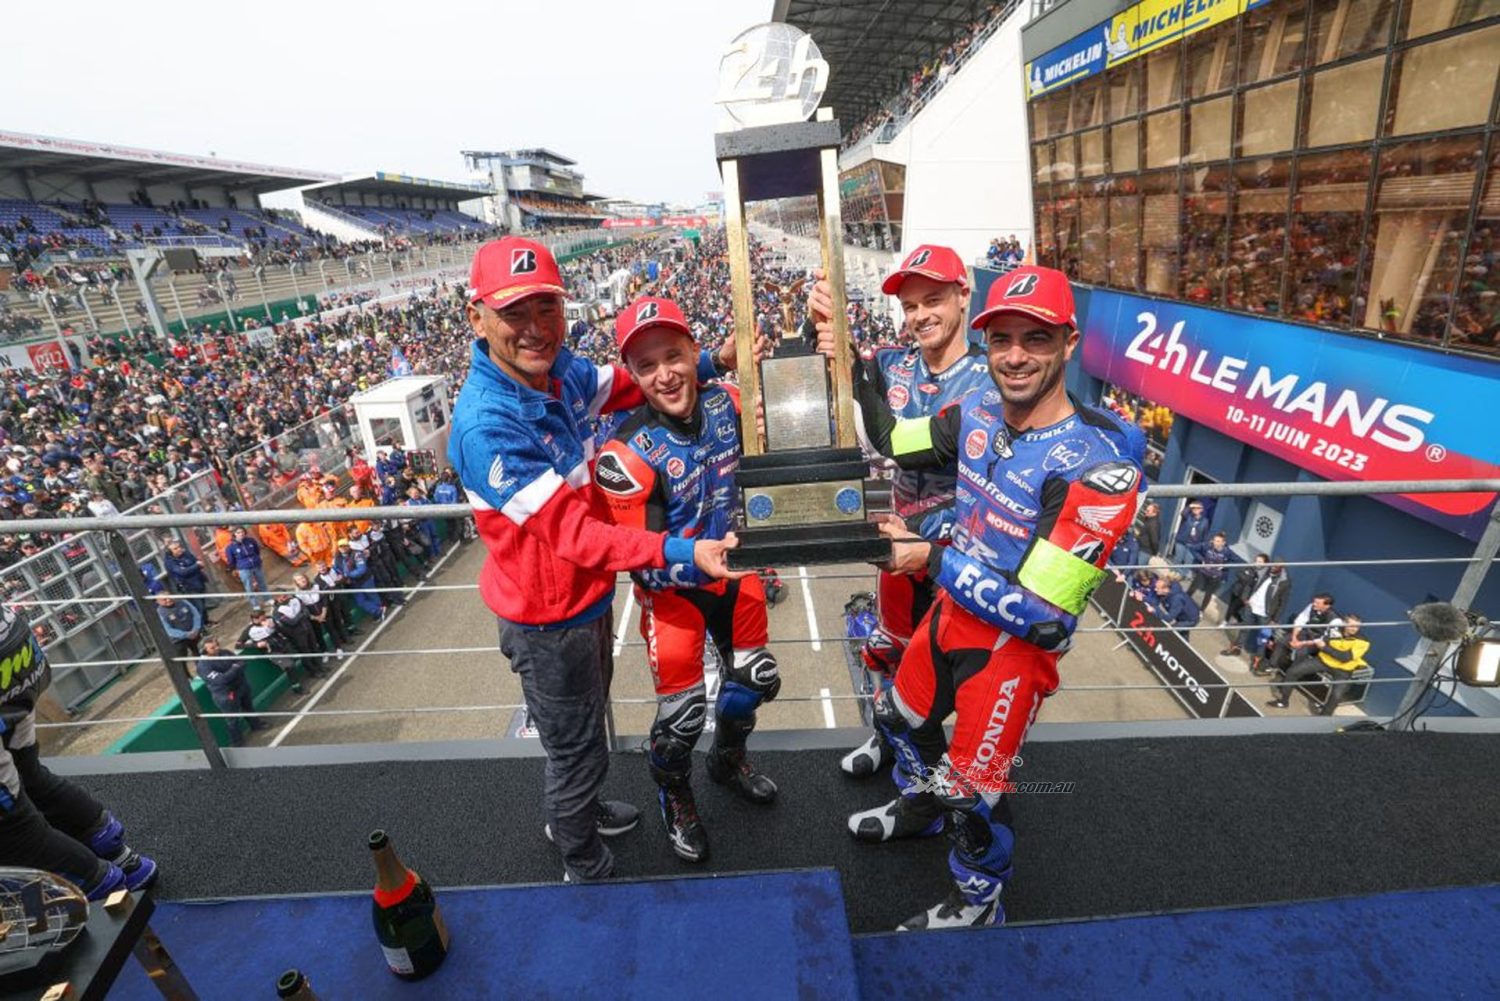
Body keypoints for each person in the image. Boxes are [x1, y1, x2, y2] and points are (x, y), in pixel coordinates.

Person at [825, 265, 1144, 929]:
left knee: (978, 795)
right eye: (1002, 339)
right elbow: (894, 439)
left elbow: (1048, 619)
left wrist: (929, 555)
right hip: (948, 616)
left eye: (1036, 337)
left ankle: (979, 902)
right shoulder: (971, 411)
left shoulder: (1101, 461)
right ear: (986, 342)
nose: (1017, 355)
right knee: (896, 718)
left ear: (1069, 341)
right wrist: (850, 361)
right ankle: (918, 808)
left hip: (1010, 654)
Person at [448, 236, 743, 883]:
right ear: (477, 318)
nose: (535, 328)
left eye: (546, 308)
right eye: (514, 312)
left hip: (584, 604)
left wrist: (714, 361)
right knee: (574, 748)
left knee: (587, 730)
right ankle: (579, 855)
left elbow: (621, 384)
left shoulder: (562, 371)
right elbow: (578, 537)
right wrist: (680, 549)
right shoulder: (487, 424)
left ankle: (579, 809)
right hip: (546, 621)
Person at [593, 296, 778, 863]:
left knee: (756, 682)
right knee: (680, 719)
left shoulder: (730, 402)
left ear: (694, 352)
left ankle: (726, 758)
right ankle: (675, 796)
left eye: (674, 356)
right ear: (632, 374)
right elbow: (638, 558)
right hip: (672, 592)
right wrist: (695, 557)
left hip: (735, 574)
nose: (665, 374)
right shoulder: (623, 451)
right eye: (647, 366)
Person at [807, 244, 993, 780]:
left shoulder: (988, 380)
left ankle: (929, 789)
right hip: (896, 546)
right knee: (886, 654)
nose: (919, 316)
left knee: (935, 683)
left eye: (932, 300)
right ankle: (886, 742)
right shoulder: (893, 363)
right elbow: (835, 385)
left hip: (952, 559)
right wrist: (820, 318)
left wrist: (849, 359)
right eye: (910, 306)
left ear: (964, 296)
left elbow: (903, 443)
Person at [0, 605, 158, 899]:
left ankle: (105, 889)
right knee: (27, 774)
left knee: (10, 825)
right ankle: (121, 857)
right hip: (16, 652)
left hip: (10, 658)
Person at [1269, 614, 1368, 712]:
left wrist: (1325, 647)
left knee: (1336, 695)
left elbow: (1345, 657)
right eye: (1352, 626)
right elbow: (1321, 641)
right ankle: (1283, 701)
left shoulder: (1362, 641)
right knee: (1292, 672)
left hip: (1343, 670)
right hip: (1323, 661)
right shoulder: (1334, 630)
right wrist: (1302, 643)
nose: (1354, 629)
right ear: (1344, 624)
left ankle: (1325, 716)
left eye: (1357, 626)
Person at [194, 636, 266, 744]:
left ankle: (256, 725)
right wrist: (235, 668)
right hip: (226, 695)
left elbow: (242, 662)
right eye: (213, 648)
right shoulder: (203, 666)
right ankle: (237, 741)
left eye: (217, 645)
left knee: (248, 708)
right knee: (232, 720)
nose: (217, 648)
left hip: (241, 686)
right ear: (204, 651)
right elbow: (221, 680)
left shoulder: (225, 652)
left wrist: (232, 670)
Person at [1257, 591, 1337, 676]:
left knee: (1301, 653)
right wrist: (1294, 637)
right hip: (1305, 633)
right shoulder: (1311, 607)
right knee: (1282, 641)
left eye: (1317, 603)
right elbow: (1300, 621)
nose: (1314, 604)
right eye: (1314, 601)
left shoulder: (1334, 620)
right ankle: (1272, 666)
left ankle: (1291, 675)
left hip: (1316, 642)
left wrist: (1301, 643)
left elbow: (1325, 640)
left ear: (1327, 605)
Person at [1240, 561, 1291, 666]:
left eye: (1276, 566)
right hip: (1251, 607)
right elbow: (1250, 585)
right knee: (1244, 629)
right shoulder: (1262, 572)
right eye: (1272, 564)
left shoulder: (1284, 582)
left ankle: (1258, 659)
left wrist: (1275, 619)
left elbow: (1283, 602)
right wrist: (1246, 598)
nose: (1272, 567)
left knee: (1262, 637)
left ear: (1281, 568)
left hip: (1266, 613)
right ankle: (1236, 647)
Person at [1220, 553, 1269, 652]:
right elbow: (1239, 573)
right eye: (1256, 560)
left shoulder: (1262, 575)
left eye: (1260, 561)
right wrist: (1248, 579)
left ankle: (1226, 623)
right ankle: (1237, 620)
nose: (1257, 563)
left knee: (1233, 607)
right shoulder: (1250, 567)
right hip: (1237, 590)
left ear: (1265, 564)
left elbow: (1252, 584)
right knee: (1232, 607)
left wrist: (1247, 579)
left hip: (1245, 597)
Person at [161, 537, 211, 623]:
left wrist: (198, 565)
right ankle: (200, 628)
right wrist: (196, 566)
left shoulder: (185, 554)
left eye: (179, 547)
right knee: (197, 607)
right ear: (170, 551)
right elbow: (182, 572)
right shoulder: (169, 562)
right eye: (175, 549)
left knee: (202, 604)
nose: (179, 549)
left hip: (198, 581)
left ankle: (206, 621)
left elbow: (195, 561)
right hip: (188, 586)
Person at [1185, 532, 1236, 611]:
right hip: (1203, 572)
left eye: (1218, 541)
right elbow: (1193, 548)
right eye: (1215, 540)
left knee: (1208, 594)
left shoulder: (1227, 552)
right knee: (1193, 587)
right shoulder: (1207, 545)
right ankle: (1183, 601)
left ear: (1223, 543)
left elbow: (1235, 561)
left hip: (1215, 577)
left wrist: (1224, 565)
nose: (1216, 543)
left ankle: (1201, 611)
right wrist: (1202, 560)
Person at [224, 526, 268, 613]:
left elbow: (257, 550)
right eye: (238, 532)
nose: (241, 534)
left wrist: (256, 559)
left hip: (256, 565)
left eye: (242, 532)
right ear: (234, 534)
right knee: (249, 587)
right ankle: (255, 605)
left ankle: (267, 599)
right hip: (244, 568)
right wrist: (235, 568)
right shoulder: (230, 547)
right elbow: (231, 560)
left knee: (262, 583)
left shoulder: (251, 541)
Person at [155, 594, 202, 661]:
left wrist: (196, 628)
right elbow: (168, 629)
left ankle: (201, 668)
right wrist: (186, 634)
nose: (168, 600)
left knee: (199, 652)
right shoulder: (160, 613)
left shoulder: (183, 602)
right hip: (178, 639)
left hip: (194, 632)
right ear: (158, 602)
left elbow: (196, 615)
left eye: (169, 597)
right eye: (164, 599)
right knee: (181, 657)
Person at [1172, 500, 1210, 566]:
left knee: (1188, 562)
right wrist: (1190, 505)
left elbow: (1205, 535)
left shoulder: (1205, 521)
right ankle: (1174, 574)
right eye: (1194, 508)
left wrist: (1201, 546)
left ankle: (1182, 576)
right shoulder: (1188, 516)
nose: (1195, 510)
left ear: (1202, 510)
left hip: (1193, 545)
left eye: (1198, 508)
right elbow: (1183, 513)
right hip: (1182, 542)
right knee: (1178, 560)